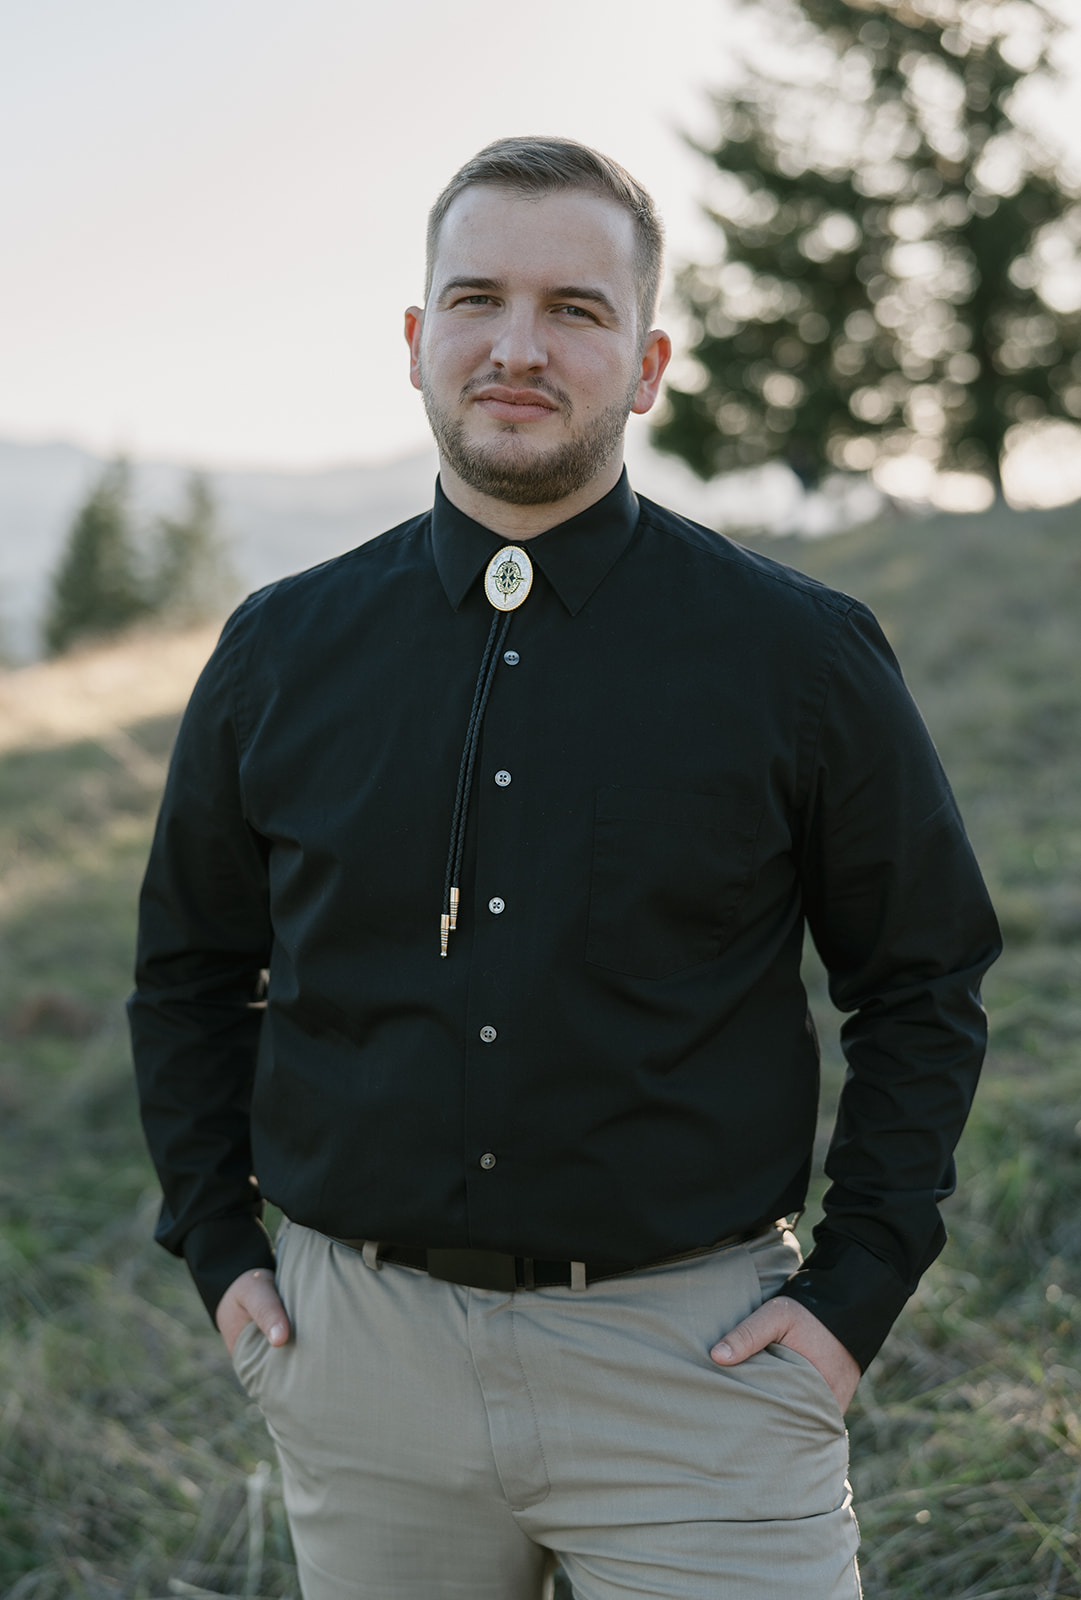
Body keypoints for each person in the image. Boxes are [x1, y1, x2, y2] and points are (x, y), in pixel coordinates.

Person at [129, 136, 1001, 1600]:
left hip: (699, 1372)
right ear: (417, 343)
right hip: (361, 1370)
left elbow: (922, 985)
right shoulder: (278, 649)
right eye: (475, 300)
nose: (516, 348)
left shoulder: (798, 655)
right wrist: (222, 1254)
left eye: (574, 310)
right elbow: (188, 976)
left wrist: (851, 1297)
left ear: (647, 362)